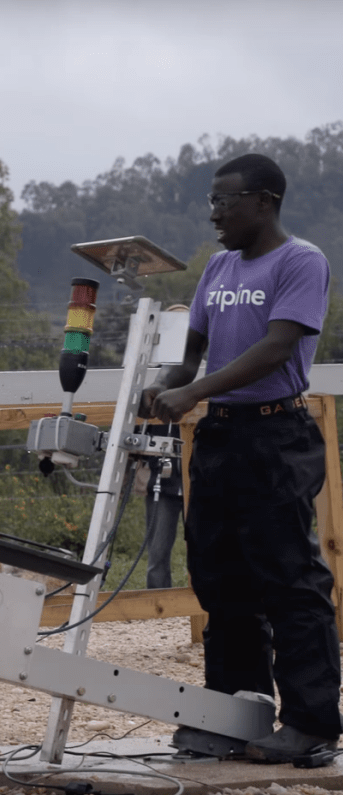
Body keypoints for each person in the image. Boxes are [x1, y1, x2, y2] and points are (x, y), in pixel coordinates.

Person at [139, 153, 340, 763]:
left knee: (289, 579)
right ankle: (231, 712)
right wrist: (162, 387)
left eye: (225, 202)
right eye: (211, 202)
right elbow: (191, 355)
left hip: (275, 436)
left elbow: (278, 349)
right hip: (221, 438)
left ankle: (311, 724)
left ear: (264, 201)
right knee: (220, 578)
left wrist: (191, 392)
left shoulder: (301, 261)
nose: (214, 214)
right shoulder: (219, 268)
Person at [138, 422, 182, 590]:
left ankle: (207, 605)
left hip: (200, 482)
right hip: (161, 485)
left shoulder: (201, 397)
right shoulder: (156, 400)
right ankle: (158, 605)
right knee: (158, 552)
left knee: (206, 549)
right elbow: (136, 433)